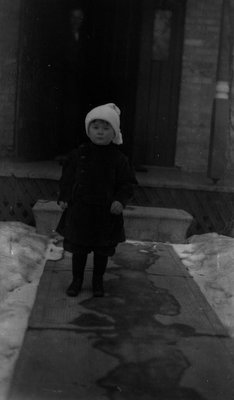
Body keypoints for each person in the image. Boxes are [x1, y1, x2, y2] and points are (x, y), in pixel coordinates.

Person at [57, 103, 137, 297]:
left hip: (106, 212)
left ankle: (97, 281)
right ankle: (77, 280)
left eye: (106, 128)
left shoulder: (119, 159)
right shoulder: (78, 155)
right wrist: (64, 197)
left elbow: (127, 183)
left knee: (102, 250)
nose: (100, 132)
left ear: (114, 132)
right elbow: (67, 178)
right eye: (96, 127)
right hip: (81, 210)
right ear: (88, 130)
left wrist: (120, 200)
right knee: (80, 248)